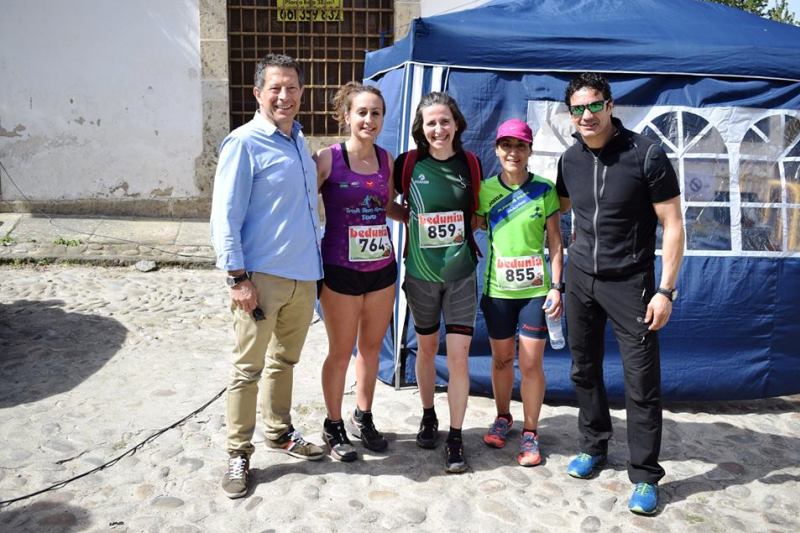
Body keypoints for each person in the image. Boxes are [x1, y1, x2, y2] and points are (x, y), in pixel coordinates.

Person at [556, 72, 685, 515]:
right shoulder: (569, 160)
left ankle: (646, 475)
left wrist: (665, 289)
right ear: (570, 115)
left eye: (594, 105)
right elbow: (563, 212)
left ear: (610, 106)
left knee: (641, 383)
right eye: (578, 109)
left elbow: (673, 224)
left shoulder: (646, 154)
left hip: (632, 283)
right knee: (582, 369)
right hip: (581, 281)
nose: (586, 115)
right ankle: (593, 446)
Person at [210, 53, 325, 499]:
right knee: (247, 368)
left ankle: (279, 432)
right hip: (260, 279)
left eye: (292, 87)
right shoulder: (243, 142)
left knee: (285, 362)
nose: (284, 95)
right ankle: (238, 452)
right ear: (257, 93)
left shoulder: (298, 141)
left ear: (301, 93)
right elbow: (225, 215)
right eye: (275, 87)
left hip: (303, 276)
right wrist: (237, 277)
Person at [316, 82, 404, 462]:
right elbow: (300, 203)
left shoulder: (388, 160)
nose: (369, 120)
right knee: (340, 351)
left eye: (376, 113)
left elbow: (389, 208)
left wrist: (428, 218)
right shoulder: (327, 159)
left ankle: (362, 415)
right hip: (340, 269)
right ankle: (333, 423)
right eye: (362, 113)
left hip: (382, 268)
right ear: (346, 116)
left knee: (371, 349)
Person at [394, 92, 481, 473]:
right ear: (421, 128)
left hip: (461, 275)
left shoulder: (471, 164)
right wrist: (411, 221)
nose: (439, 128)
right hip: (421, 276)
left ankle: (457, 435)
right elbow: (385, 202)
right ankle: (429, 415)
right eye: (431, 122)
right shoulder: (408, 164)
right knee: (426, 350)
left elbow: (475, 213)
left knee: (459, 357)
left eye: (445, 121)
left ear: (456, 124)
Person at [475, 119, 563, 467]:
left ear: (529, 151)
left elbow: (555, 240)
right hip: (497, 291)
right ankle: (502, 417)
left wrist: (557, 286)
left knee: (530, 363)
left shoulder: (544, 189)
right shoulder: (484, 191)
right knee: (500, 360)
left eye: (520, 146)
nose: (513, 152)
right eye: (506, 145)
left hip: (534, 292)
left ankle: (530, 432)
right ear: (497, 149)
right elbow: (473, 227)